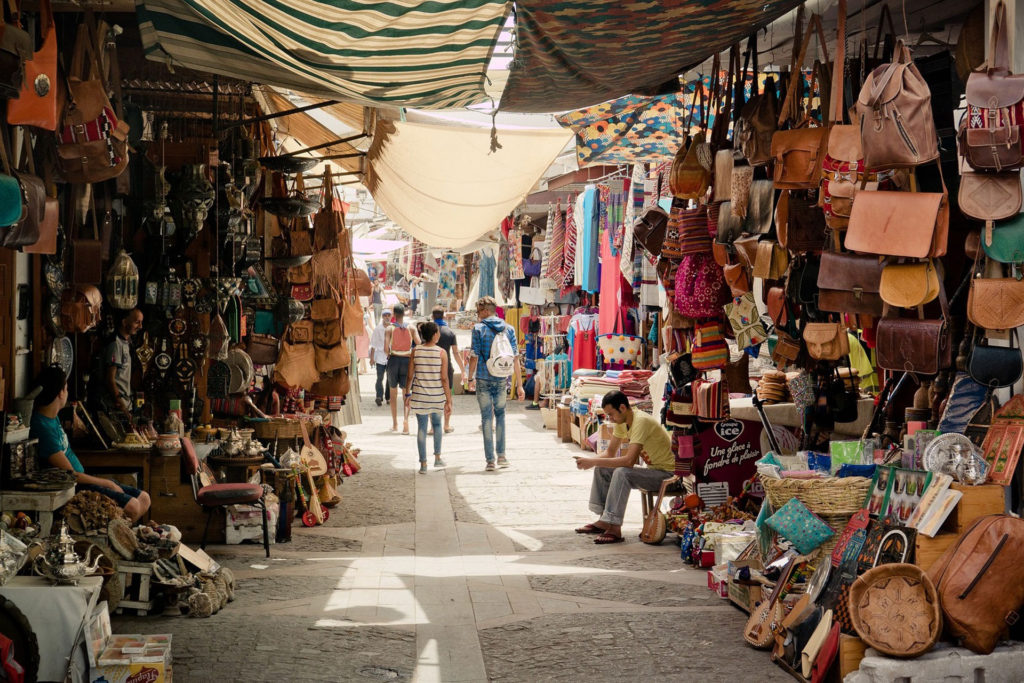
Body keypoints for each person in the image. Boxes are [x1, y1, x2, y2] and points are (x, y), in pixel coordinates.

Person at [30, 366, 151, 523]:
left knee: (144, 498)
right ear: (60, 393)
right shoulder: (42, 427)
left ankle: (119, 534)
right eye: (66, 388)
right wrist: (106, 483)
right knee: (133, 507)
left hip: (84, 480)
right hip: (75, 487)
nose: (66, 393)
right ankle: (114, 537)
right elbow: (70, 475)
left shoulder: (52, 417)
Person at [573, 390, 675, 544]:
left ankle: (614, 527)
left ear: (622, 408)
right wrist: (589, 460)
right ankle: (604, 520)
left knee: (622, 473)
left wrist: (592, 462)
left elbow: (629, 461)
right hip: (654, 471)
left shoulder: (640, 421)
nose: (610, 419)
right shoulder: (622, 422)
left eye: (611, 414)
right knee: (603, 469)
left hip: (669, 475)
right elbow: (609, 453)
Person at [467, 296, 525, 471]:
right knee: (500, 417)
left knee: (486, 418)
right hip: (501, 378)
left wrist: (470, 378)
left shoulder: (478, 329)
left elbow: (474, 356)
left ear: (485, 311)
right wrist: (519, 385)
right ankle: (502, 456)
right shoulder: (509, 329)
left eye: (478, 312)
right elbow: (515, 359)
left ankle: (490, 461)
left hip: (484, 378)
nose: (478, 315)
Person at [406, 321, 452, 473]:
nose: (439, 334)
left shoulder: (416, 351)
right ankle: (438, 458)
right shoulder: (441, 352)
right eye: (437, 332)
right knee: (437, 425)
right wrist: (449, 399)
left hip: (419, 396)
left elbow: (410, 376)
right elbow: (444, 378)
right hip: (437, 396)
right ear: (434, 335)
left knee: (421, 428)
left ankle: (423, 464)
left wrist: (407, 393)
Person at [431, 306, 467, 434]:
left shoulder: (429, 331)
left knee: (432, 397)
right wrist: (463, 370)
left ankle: (432, 427)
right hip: (447, 368)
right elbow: (456, 353)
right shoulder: (450, 332)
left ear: (432, 317)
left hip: (432, 368)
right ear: (444, 316)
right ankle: (446, 425)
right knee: (448, 397)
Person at [385, 304, 421, 433]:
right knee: (406, 393)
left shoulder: (389, 329)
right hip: (407, 361)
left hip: (394, 360)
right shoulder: (411, 328)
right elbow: (419, 343)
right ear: (404, 313)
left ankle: (395, 424)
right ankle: (406, 421)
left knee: (393, 394)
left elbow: (385, 349)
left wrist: (390, 353)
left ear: (394, 314)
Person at [101, 308, 143, 417]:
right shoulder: (116, 344)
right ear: (124, 322)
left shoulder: (127, 343)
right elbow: (110, 379)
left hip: (126, 405)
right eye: (137, 322)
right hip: (115, 408)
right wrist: (121, 405)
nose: (140, 326)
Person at [369, 309, 392, 406]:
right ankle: (379, 396)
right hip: (379, 357)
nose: (387, 317)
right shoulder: (378, 329)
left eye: (388, 315)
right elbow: (373, 344)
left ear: (391, 317)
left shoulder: (393, 328)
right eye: (385, 315)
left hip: (391, 357)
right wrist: (372, 358)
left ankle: (388, 397)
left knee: (390, 379)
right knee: (380, 378)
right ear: (382, 317)